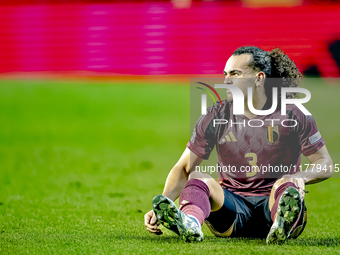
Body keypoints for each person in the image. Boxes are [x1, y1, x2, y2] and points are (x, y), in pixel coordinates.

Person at [144, 46, 333, 244]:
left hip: (273, 201)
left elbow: (325, 162)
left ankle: (281, 222)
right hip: (231, 210)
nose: (226, 81)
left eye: (235, 74)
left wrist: (300, 178)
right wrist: (163, 203)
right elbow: (184, 167)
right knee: (197, 176)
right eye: (225, 74)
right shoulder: (215, 115)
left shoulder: (294, 114)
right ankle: (189, 222)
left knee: (286, 184)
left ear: (259, 78)